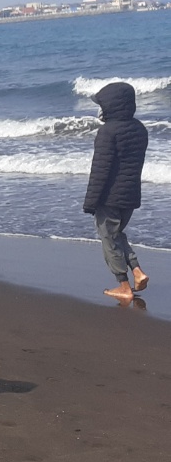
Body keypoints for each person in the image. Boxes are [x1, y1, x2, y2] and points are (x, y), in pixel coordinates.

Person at [84, 81, 150, 301]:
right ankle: (138, 272)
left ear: (111, 106)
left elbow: (100, 170)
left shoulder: (107, 132)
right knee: (117, 235)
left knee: (109, 239)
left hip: (109, 196)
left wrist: (91, 202)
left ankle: (123, 286)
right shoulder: (140, 128)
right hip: (131, 195)